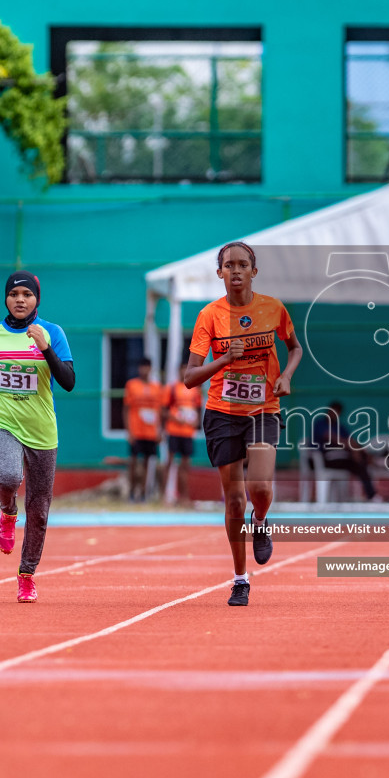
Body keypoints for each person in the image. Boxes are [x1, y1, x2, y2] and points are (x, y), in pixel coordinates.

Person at [183, 241, 302, 607]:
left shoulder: (273, 309)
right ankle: (240, 579)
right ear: (219, 273)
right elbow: (189, 377)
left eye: (243, 264)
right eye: (228, 265)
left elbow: (295, 348)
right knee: (234, 500)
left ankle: (262, 520)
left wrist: (286, 376)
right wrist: (222, 361)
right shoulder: (210, 316)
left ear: (254, 270)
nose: (235, 270)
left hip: (263, 408)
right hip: (222, 412)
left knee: (260, 488)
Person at [0, 271, 74, 603]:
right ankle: (7, 512)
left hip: (42, 432)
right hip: (3, 421)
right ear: (6, 298)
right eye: (14, 294)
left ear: (37, 300)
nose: (20, 299)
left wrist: (46, 349)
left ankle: (26, 575)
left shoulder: (52, 333)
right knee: (10, 475)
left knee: (40, 509)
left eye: (27, 294)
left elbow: (69, 381)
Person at [311, 401, 377, 501]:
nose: (334, 414)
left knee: (361, 463)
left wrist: (360, 451)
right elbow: (331, 437)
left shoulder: (340, 427)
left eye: (337, 412)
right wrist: (352, 447)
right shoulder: (320, 424)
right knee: (358, 463)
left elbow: (351, 440)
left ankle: (371, 495)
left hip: (342, 458)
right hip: (326, 459)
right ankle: (372, 495)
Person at [124, 358, 165, 502]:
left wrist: (160, 431)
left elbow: (160, 411)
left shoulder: (157, 387)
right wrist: (129, 431)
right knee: (134, 463)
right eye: (142, 367)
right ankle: (131, 491)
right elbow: (126, 409)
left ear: (150, 369)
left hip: (151, 432)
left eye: (147, 367)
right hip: (136, 430)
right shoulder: (132, 385)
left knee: (148, 463)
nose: (144, 370)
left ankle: (142, 493)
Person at [165, 373, 202, 505]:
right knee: (169, 462)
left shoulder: (195, 390)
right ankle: (164, 496)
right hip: (174, 431)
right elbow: (164, 410)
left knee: (185, 465)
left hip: (188, 433)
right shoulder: (173, 388)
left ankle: (183, 497)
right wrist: (175, 419)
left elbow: (197, 410)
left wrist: (196, 421)